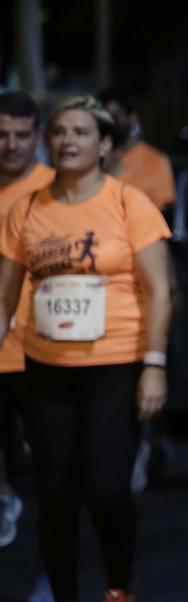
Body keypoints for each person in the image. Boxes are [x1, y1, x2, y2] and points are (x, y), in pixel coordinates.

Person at [0, 95, 173, 602]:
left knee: (105, 487)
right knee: (53, 491)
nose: (67, 140)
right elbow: (5, 297)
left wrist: (154, 365)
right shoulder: (26, 210)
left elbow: (159, 290)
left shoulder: (129, 203)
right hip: (45, 368)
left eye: (80, 132)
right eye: (58, 132)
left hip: (115, 366)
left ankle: (119, 595)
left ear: (104, 146)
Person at [0, 91, 53, 552]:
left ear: (37, 136)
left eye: (20, 135)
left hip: (43, 349)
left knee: (52, 467)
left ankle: (52, 574)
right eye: (1, 135)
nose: (10, 145)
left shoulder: (56, 188)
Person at [98, 91, 175, 213]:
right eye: (105, 118)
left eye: (116, 116)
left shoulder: (155, 160)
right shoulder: (93, 157)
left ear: (132, 117)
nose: (111, 123)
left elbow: (165, 209)